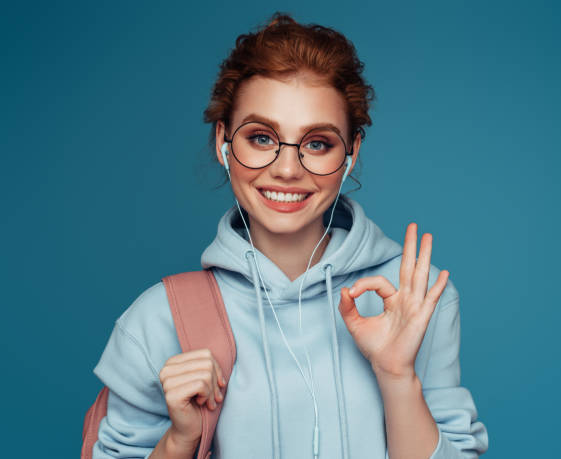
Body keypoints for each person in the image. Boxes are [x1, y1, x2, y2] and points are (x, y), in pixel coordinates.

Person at [91, 12, 489, 459]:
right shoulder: (158, 321)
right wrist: (179, 441)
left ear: (351, 152)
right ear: (223, 141)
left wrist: (398, 377)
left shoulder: (412, 299)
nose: (287, 168)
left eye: (317, 143)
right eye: (261, 137)